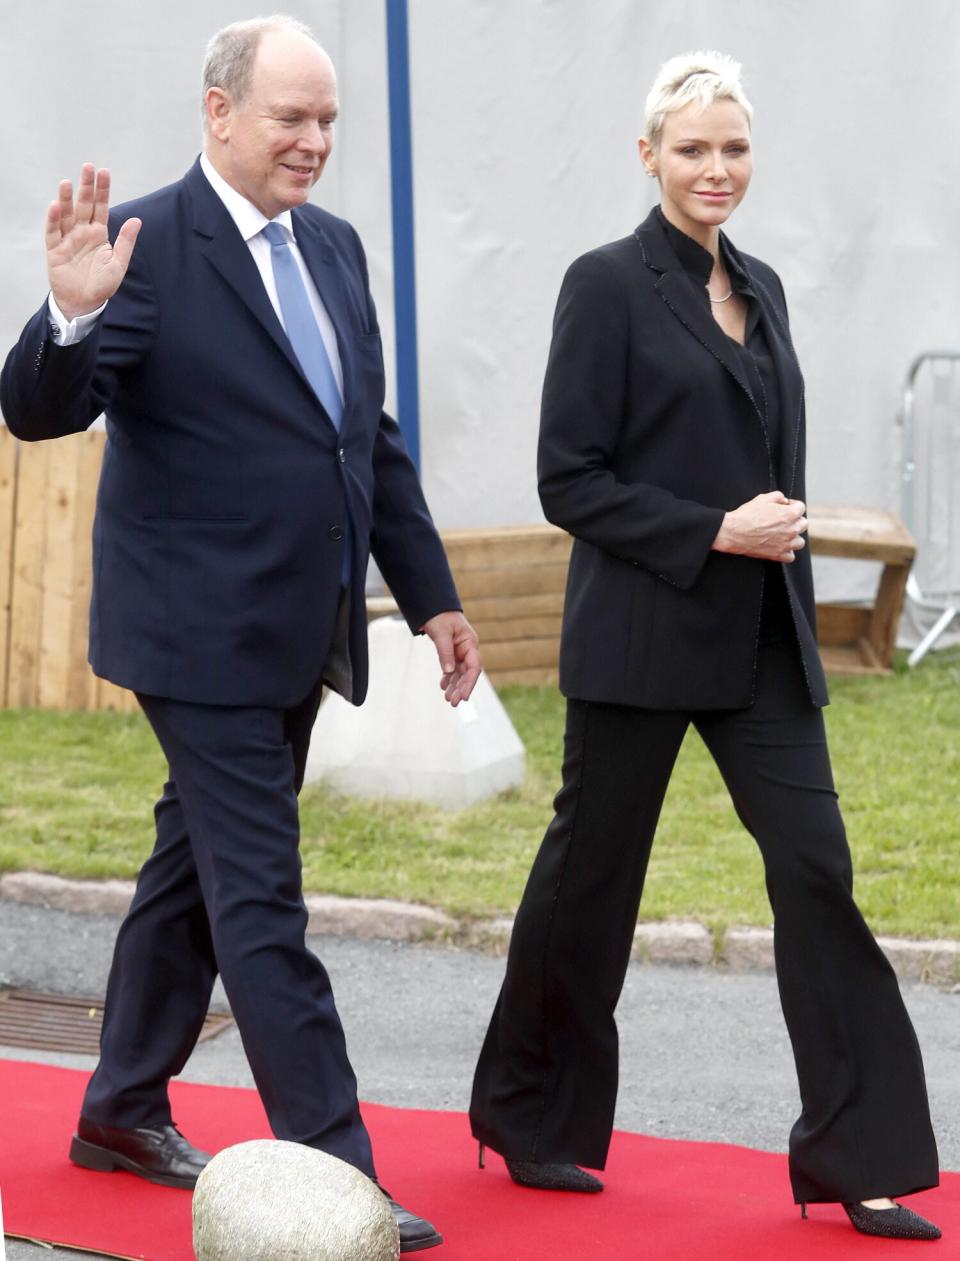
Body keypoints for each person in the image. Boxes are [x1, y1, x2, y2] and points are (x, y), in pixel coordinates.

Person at [1, 15, 480, 1253]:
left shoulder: (335, 247)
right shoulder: (146, 248)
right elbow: (44, 412)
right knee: (261, 898)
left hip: (299, 622)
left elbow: (361, 440)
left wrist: (431, 596)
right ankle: (340, 1171)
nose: (315, 140)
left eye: (327, 119)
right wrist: (64, 317)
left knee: (191, 877)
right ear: (219, 113)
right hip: (194, 636)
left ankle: (116, 1106)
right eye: (291, 117)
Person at [469, 51, 941, 1242]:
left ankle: (859, 1156)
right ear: (649, 157)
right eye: (692, 149)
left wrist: (767, 530)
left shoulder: (766, 285)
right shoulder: (604, 285)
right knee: (591, 886)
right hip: (641, 635)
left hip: (762, 648)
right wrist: (714, 530)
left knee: (817, 873)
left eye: (733, 147)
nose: (715, 168)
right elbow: (567, 479)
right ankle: (531, 1118)